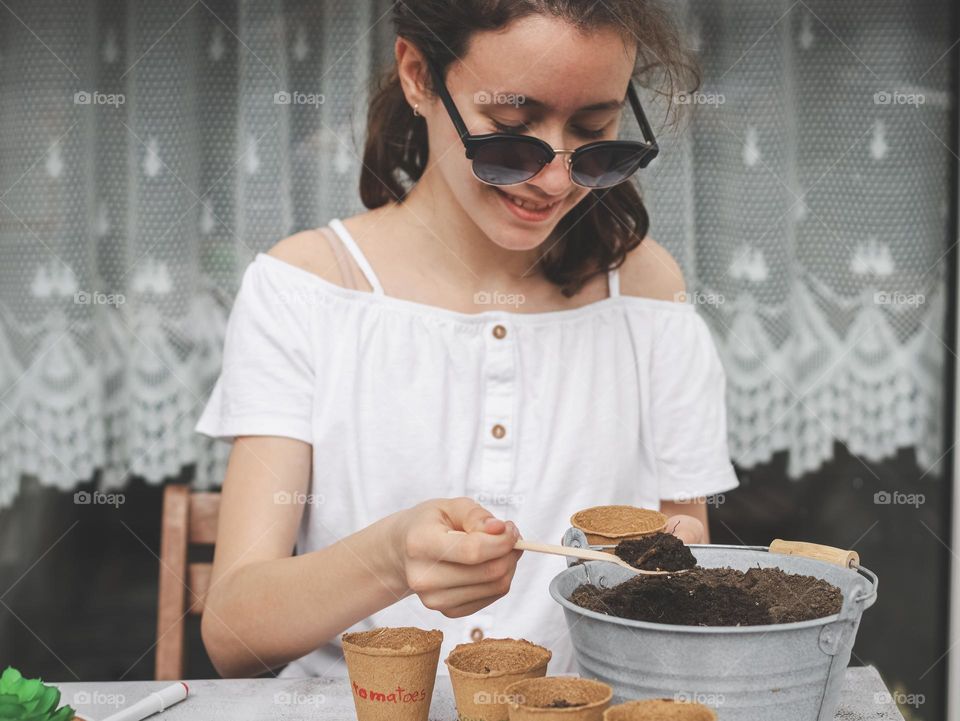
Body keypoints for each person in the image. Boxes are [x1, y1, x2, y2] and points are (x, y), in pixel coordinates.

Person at [196, 0, 739, 679]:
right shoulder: (307, 289)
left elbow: (681, 562)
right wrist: (390, 557)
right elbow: (233, 632)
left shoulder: (646, 291)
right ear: (418, 75)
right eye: (511, 131)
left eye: (595, 132)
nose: (555, 179)